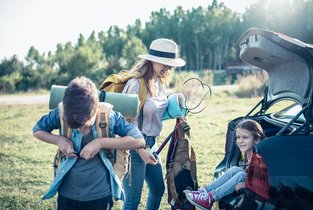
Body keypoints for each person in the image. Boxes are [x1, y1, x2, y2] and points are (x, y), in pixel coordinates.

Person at [32, 76, 145, 210]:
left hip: (100, 195)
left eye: (85, 125)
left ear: (97, 108)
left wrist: (100, 143)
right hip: (67, 194)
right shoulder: (61, 113)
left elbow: (139, 140)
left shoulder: (109, 117)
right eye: (74, 126)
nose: (80, 129)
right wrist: (58, 140)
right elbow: (37, 130)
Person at [121, 38, 186, 210]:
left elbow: (155, 112)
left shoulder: (158, 82)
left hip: (152, 144)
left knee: (158, 190)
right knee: (133, 198)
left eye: (170, 64)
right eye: (165, 63)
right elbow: (122, 122)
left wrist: (177, 111)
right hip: (135, 146)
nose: (168, 67)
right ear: (152, 60)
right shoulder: (135, 84)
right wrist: (140, 149)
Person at [184, 119, 265, 210]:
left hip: (262, 188)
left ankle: (210, 198)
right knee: (235, 169)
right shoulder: (250, 152)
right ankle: (205, 192)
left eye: (245, 137)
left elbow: (264, 181)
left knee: (241, 175)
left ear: (257, 139)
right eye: (238, 137)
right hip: (253, 181)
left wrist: (246, 184)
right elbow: (250, 172)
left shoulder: (260, 156)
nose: (240, 141)